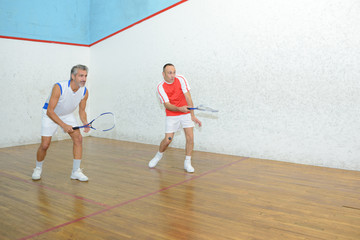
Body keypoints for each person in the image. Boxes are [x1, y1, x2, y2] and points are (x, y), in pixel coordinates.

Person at [32, 64, 90, 181]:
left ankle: (75, 171)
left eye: (85, 76)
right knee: (45, 145)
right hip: (50, 114)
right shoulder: (59, 87)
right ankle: (38, 168)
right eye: (81, 76)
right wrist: (63, 125)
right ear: (72, 76)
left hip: (67, 115)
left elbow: (82, 110)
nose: (84, 79)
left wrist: (85, 122)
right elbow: (50, 111)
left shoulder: (84, 91)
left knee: (78, 139)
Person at [149, 63, 202, 173]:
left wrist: (192, 115)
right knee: (168, 140)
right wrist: (179, 109)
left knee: (190, 137)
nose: (173, 75)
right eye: (169, 73)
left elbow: (188, 96)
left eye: (174, 72)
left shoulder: (181, 79)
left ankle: (187, 162)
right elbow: (167, 105)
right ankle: (158, 156)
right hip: (172, 114)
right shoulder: (160, 87)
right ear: (163, 74)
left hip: (185, 112)